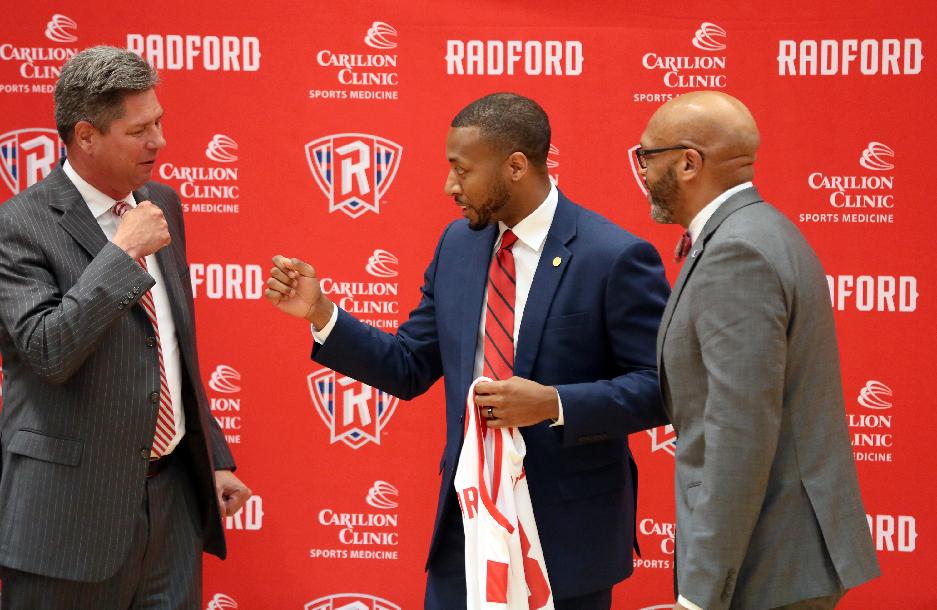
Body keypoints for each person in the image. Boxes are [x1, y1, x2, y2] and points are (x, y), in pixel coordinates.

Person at [266, 92, 670, 609]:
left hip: (565, 537)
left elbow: (659, 387)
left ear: (516, 165)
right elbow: (410, 365)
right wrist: (321, 314)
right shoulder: (458, 245)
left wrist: (554, 403)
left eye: (462, 170)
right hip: (467, 527)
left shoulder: (613, 256)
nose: (449, 186)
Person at [0, 46, 250, 609]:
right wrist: (122, 253)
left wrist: (212, 456)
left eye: (159, 122)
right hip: (67, 524)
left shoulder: (161, 202)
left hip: (171, 511)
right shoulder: (18, 226)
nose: (160, 141)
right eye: (141, 130)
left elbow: (169, 345)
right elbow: (48, 351)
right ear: (86, 136)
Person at [638, 91, 880, 610]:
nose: (639, 171)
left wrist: (699, 598)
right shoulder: (756, 231)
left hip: (770, 567)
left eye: (646, 155)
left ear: (687, 163)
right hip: (775, 557)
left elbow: (738, 432)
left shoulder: (736, 251)